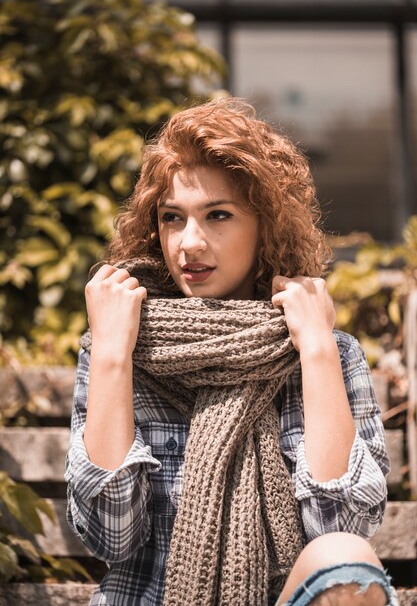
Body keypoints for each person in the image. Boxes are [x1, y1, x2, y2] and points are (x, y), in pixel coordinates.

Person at [65, 97, 397, 606]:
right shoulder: (123, 347)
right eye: (172, 217)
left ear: (266, 225)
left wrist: (316, 350)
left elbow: (343, 525)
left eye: (217, 215)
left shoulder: (328, 353)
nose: (189, 243)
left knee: (342, 557)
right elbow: (111, 536)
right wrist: (111, 354)